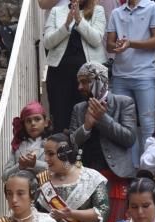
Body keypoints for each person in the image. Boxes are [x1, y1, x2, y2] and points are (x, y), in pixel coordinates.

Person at [71, 62, 139, 222]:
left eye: (85, 81)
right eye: (79, 82)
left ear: (99, 80)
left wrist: (103, 119)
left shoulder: (124, 103)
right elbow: (71, 146)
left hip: (116, 177)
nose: (80, 87)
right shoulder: (79, 109)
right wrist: (86, 126)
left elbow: (129, 138)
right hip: (87, 179)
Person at [106, 0, 155, 162]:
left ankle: (148, 168)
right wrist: (117, 44)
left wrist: (130, 43)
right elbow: (109, 45)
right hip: (120, 76)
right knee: (124, 125)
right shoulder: (116, 12)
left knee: (147, 123)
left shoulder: (154, 8)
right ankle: (129, 168)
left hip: (144, 74)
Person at [43, 1, 108, 134]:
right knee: (60, 117)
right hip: (59, 73)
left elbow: (96, 39)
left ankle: (83, 153)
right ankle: (61, 151)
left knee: (85, 117)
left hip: (89, 77)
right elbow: (48, 43)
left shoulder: (98, 10)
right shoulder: (56, 11)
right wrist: (66, 25)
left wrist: (79, 20)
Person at [3, 102, 51, 181]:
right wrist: (20, 166)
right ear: (24, 125)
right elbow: (5, 176)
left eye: (37, 119)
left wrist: (35, 164)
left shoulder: (52, 144)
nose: (33, 123)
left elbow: (57, 170)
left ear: (45, 122)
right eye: (28, 121)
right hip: (20, 191)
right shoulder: (18, 146)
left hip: (45, 191)